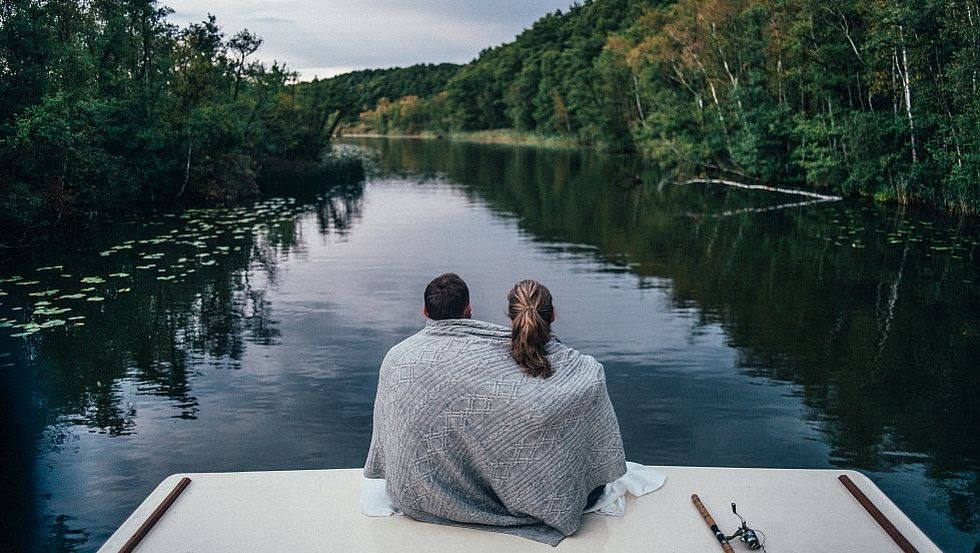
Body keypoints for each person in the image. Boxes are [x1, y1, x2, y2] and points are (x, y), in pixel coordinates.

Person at [364, 274, 626, 546]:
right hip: (533, 493)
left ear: (424, 311)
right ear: (469, 309)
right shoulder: (583, 369)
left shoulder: (396, 358)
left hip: (412, 496)